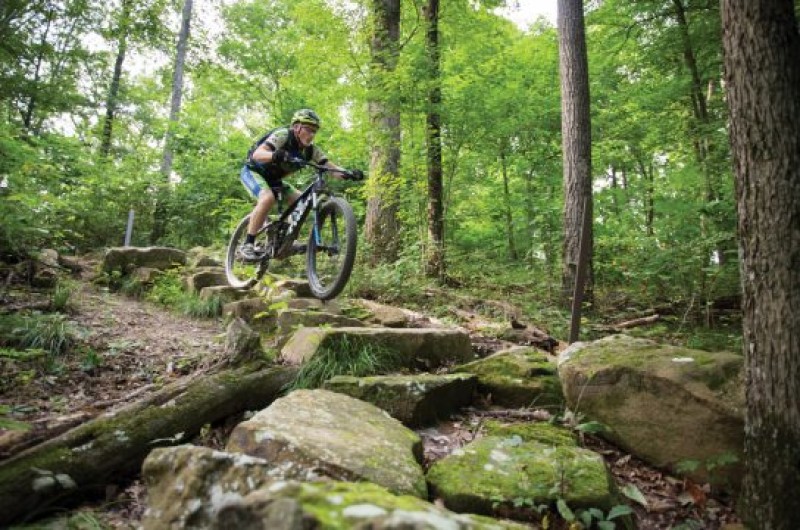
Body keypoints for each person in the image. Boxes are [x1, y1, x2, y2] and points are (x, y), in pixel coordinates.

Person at [238, 108, 364, 260]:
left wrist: (349, 173)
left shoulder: (310, 151)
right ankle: (248, 244)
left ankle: (284, 240)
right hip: (253, 172)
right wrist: (275, 154)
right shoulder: (283, 135)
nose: (311, 135)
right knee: (267, 198)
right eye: (308, 130)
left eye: (314, 132)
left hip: (275, 181)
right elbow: (257, 155)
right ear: (297, 127)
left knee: (302, 201)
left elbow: (330, 168)